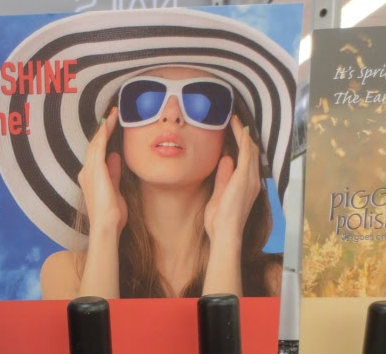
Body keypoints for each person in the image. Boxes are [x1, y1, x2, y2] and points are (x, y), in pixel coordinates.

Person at [40, 66, 282, 300]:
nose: (172, 114)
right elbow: (93, 332)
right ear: (116, 130)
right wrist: (104, 228)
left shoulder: (277, 282)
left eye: (201, 100)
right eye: (146, 97)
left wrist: (227, 237)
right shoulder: (66, 275)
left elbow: (225, 332)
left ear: (231, 139)